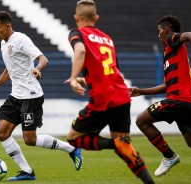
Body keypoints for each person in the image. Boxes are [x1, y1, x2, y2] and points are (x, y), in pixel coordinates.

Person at [0, 11, 83, 181]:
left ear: (7, 27)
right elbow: (9, 70)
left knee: (30, 139)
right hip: (16, 96)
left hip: (31, 96)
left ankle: (71, 149)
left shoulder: (21, 39)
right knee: (1, 133)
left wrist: (38, 68)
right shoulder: (3, 43)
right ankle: (27, 171)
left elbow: (43, 59)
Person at [65, 1, 154, 183]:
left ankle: (115, 143)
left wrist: (74, 78)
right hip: (121, 95)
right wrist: (85, 79)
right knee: (125, 148)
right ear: (96, 18)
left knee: (73, 139)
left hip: (103, 98)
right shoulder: (107, 38)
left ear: (76, 18)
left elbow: (80, 51)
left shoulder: (77, 33)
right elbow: (111, 69)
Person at [129, 15, 191, 177]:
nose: (158, 34)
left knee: (141, 121)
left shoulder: (170, 39)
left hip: (179, 100)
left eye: (159, 30)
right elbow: (166, 86)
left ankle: (169, 156)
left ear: (166, 30)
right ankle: (170, 156)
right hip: (190, 102)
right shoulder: (171, 53)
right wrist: (141, 91)